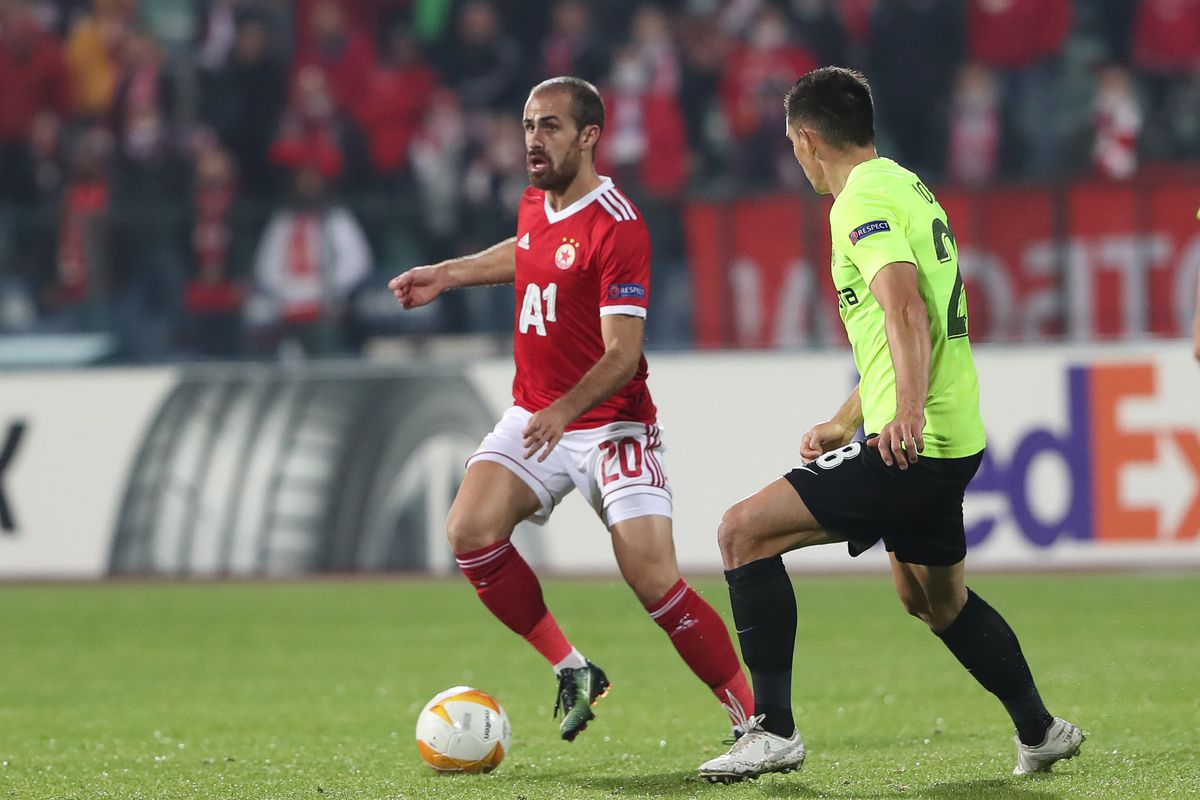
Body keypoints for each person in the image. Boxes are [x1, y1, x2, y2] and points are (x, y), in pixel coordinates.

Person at [697, 67, 1084, 783]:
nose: (797, 157)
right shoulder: (907, 184)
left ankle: (773, 730)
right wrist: (851, 416)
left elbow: (905, 306)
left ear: (808, 139)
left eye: (793, 144)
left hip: (914, 441)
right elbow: (897, 328)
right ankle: (1041, 729)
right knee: (933, 600)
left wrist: (900, 413)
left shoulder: (858, 201)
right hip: (952, 434)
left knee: (741, 532)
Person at [389, 76, 753, 742]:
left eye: (550, 126)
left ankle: (753, 720)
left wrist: (562, 411)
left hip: (613, 426)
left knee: (653, 581)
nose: (534, 138)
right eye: (529, 124)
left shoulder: (618, 225)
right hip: (536, 416)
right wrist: (449, 273)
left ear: (589, 137)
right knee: (469, 531)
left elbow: (622, 355)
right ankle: (575, 668)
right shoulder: (536, 202)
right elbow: (527, 254)